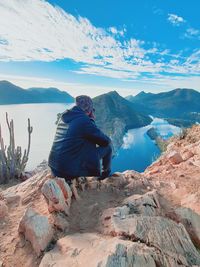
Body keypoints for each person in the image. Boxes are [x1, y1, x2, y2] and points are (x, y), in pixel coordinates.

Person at [48, 95, 112, 183]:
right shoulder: (84, 121)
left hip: (54, 166)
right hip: (67, 171)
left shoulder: (64, 117)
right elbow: (105, 141)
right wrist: (91, 121)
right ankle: (105, 175)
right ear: (89, 109)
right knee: (108, 148)